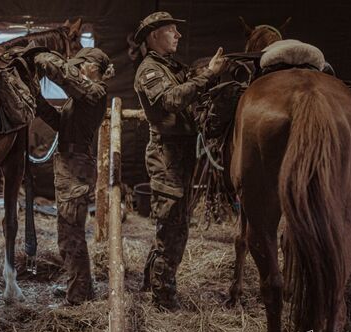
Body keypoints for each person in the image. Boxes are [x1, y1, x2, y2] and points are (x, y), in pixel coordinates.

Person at [133, 11, 227, 311]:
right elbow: (172, 101)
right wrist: (208, 74)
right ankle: (163, 299)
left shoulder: (170, 67)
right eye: (172, 30)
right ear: (153, 35)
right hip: (167, 155)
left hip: (179, 154)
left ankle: (150, 282)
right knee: (171, 228)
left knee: (173, 224)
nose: (178, 35)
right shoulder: (149, 70)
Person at [34, 47, 114, 305]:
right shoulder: (79, 100)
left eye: (81, 65)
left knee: (71, 234)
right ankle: (80, 287)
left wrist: (43, 57)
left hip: (75, 165)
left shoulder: (95, 92)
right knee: (69, 231)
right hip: (70, 163)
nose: (78, 70)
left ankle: (78, 297)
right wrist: (38, 100)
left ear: (93, 67)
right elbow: (60, 123)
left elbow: (67, 76)